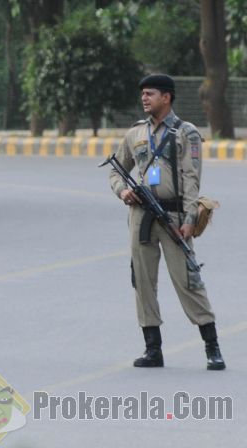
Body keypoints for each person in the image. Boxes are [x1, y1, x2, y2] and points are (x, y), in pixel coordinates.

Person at [108, 74, 225, 371]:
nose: (144, 98)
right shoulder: (135, 134)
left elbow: (191, 180)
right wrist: (123, 191)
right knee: (143, 281)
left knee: (188, 280)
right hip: (140, 217)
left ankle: (212, 348)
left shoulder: (186, 134)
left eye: (150, 93)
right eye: (143, 94)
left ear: (167, 97)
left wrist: (189, 220)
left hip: (173, 217)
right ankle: (153, 349)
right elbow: (116, 170)